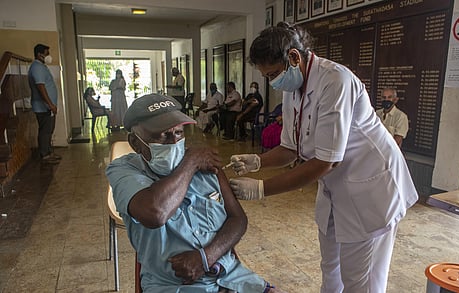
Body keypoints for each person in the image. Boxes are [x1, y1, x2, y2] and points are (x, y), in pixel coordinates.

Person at [228, 22, 418, 293]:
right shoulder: (293, 88)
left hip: (370, 189)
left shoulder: (335, 81)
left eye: (272, 74)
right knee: (330, 267)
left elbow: (327, 161)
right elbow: (291, 148)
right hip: (336, 188)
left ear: (294, 57)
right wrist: (258, 161)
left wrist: (261, 189)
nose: (272, 81)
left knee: (360, 279)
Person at [105, 93, 285, 293]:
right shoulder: (125, 170)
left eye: (179, 133)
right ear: (135, 142)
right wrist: (190, 163)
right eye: (162, 135)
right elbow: (155, 213)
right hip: (173, 286)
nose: (174, 142)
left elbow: (238, 219)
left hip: (231, 277)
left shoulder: (206, 164)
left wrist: (205, 258)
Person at [28, 43, 61, 164]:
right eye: (47, 53)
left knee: (49, 130)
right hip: (43, 107)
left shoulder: (41, 67)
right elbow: (41, 87)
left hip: (47, 106)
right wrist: (50, 104)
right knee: (45, 131)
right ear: (39, 54)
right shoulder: (37, 67)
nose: (49, 56)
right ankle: (45, 155)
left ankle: (48, 152)